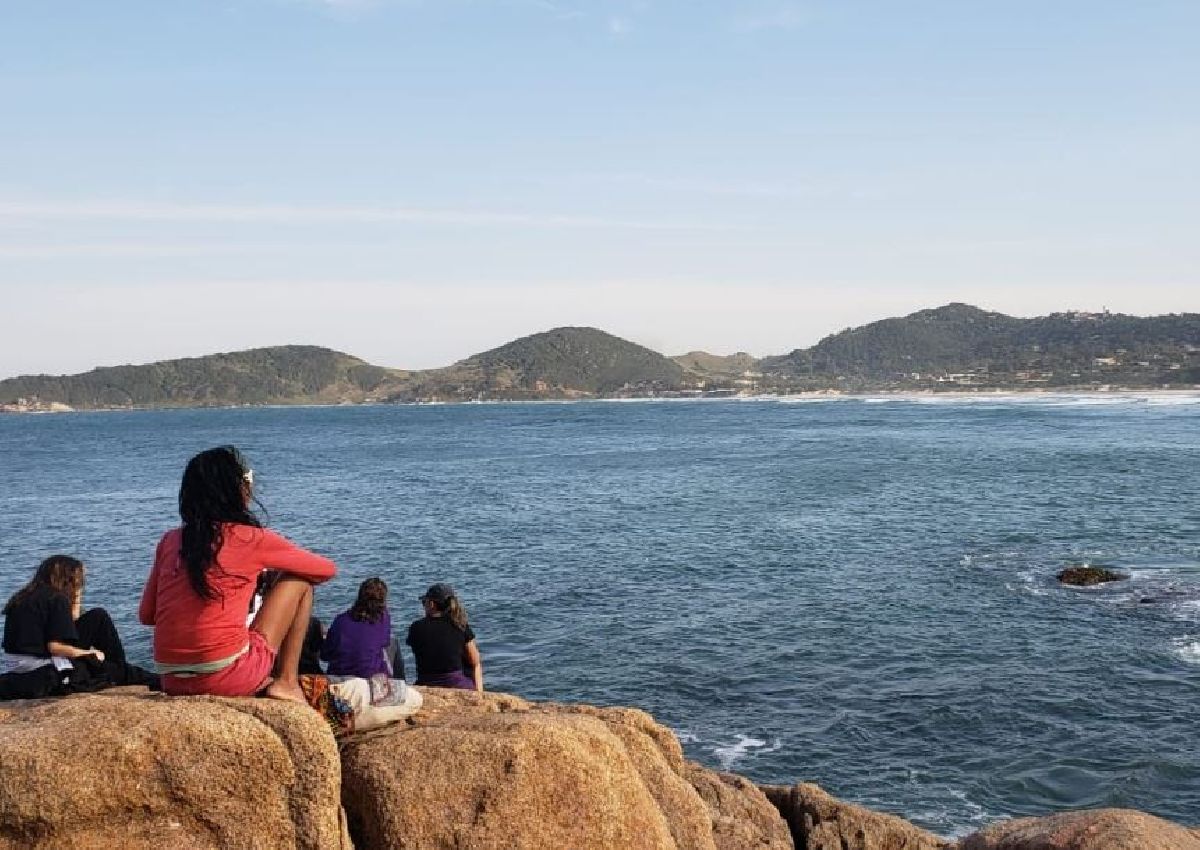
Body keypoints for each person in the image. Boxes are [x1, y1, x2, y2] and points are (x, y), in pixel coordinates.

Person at [139, 446, 337, 703]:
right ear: (237, 491)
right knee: (300, 581)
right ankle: (287, 682)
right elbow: (326, 569)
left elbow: (147, 615)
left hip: (172, 679)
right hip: (227, 677)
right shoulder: (250, 538)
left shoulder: (170, 540)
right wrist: (269, 576)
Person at [1, 554, 158, 699]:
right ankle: (123, 669)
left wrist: (76, 594)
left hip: (19, 668)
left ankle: (119, 667)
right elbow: (54, 646)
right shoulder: (56, 599)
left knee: (97, 617)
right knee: (112, 667)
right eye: (78, 579)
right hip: (43, 668)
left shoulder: (23, 597)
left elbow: (70, 622)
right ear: (67, 578)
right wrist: (87, 653)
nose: (81, 582)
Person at [406, 583, 483, 692]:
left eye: (424, 602)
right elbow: (475, 661)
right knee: (470, 662)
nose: (423, 606)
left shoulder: (416, 627)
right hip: (457, 684)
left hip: (426, 682)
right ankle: (479, 695)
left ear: (432, 604)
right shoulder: (460, 625)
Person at [321, 577, 393, 679]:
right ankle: (399, 679)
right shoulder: (383, 619)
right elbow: (385, 642)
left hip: (339, 675)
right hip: (370, 675)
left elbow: (325, 655)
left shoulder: (340, 620)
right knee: (391, 646)